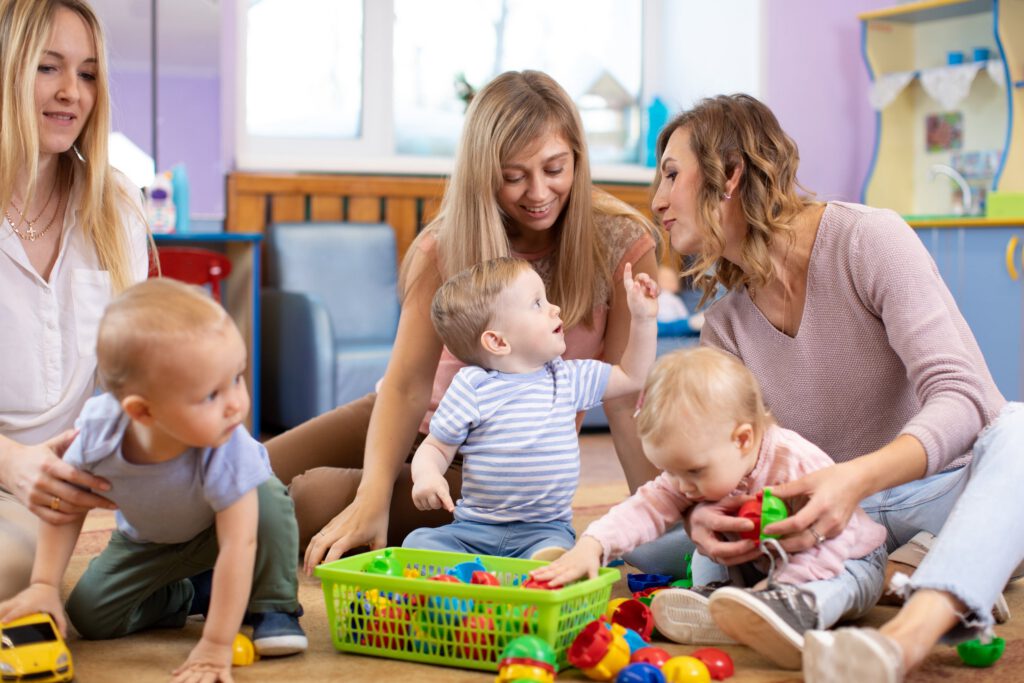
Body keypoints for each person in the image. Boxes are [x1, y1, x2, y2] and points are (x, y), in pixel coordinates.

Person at [650, 93, 1023, 682]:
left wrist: (855, 478)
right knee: (649, 549)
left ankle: (908, 634)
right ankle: (926, 564)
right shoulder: (725, 326)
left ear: (730, 174)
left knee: (1020, 429)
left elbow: (964, 396)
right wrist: (704, 515)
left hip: (935, 488)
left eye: (671, 175)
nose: (659, 201)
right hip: (824, 520)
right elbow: (728, 457)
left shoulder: (867, 239)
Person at [263, 70, 664, 575]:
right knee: (247, 473)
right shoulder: (447, 243)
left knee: (312, 496)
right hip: (412, 421)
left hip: (484, 469)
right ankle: (162, 560)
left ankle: (212, 568)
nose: (538, 192)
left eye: (554, 168)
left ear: (578, 161)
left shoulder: (622, 242)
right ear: (482, 172)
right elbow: (408, 385)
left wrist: (655, 520)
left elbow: (625, 399)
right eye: (514, 176)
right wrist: (374, 495)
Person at [0, 279, 307, 682]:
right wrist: (44, 583)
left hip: (223, 531)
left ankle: (273, 604)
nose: (236, 403)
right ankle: (196, 592)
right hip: (146, 540)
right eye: (211, 395)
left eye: (237, 378)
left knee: (265, 495)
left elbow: (239, 541)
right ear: (142, 412)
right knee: (91, 616)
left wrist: (215, 646)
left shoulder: (226, 443)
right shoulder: (99, 431)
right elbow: (69, 500)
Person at [531, 347, 887, 670]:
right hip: (762, 562)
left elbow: (838, 537)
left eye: (693, 472)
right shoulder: (699, 463)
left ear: (743, 439)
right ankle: (713, 599)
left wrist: (786, 584)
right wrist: (592, 545)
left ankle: (798, 608)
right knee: (706, 545)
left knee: (841, 582)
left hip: (844, 557)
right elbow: (645, 506)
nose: (681, 485)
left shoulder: (797, 464)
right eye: (670, 471)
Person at [0, 0, 149, 601]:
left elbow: (134, 369)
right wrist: (11, 463)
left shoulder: (114, 208)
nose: (72, 93)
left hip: (53, 488)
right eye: (48, 67)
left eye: (87, 74)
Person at [405, 256, 658, 559]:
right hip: (474, 529)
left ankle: (529, 569)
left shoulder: (566, 377)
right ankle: (489, 577)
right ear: (498, 342)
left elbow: (633, 376)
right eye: (537, 303)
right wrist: (427, 476)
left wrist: (643, 321)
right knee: (419, 542)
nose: (555, 308)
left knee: (554, 553)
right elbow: (436, 447)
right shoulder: (472, 385)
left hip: (545, 530)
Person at [655, 264, 703, 336]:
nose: (671, 283)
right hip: (661, 322)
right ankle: (694, 324)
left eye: (672, 280)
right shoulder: (657, 297)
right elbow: (684, 315)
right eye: (667, 280)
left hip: (670, 322)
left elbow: (683, 315)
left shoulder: (675, 299)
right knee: (686, 324)